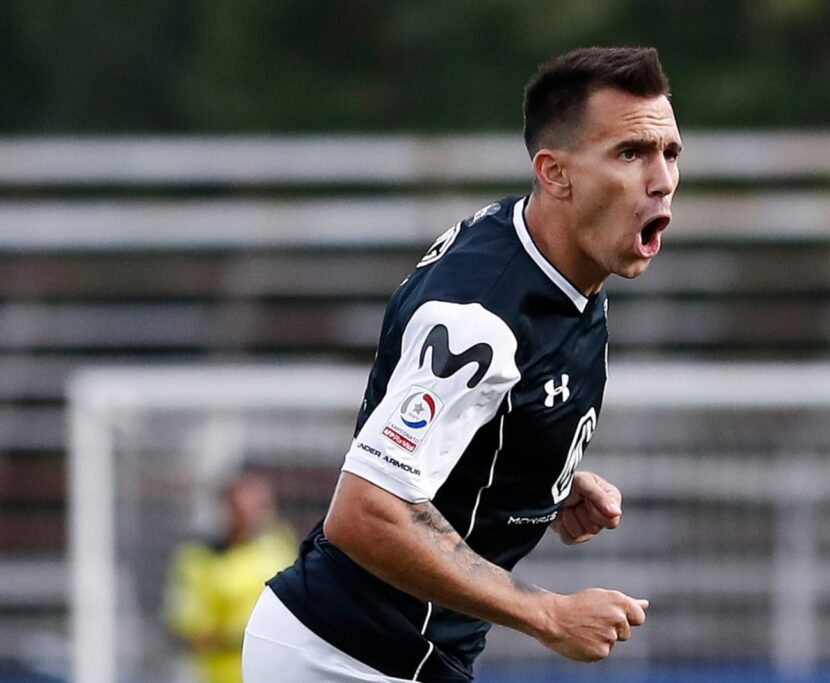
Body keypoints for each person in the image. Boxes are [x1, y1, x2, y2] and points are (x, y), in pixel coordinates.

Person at [242, 46, 682, 683]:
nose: (661, 178)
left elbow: (476, 416)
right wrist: (550, 616)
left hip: (392, 656)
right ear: (555, 174)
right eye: (630, 153)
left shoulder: (560, 257)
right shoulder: (480, 319)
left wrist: (541, 479)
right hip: (344, 658)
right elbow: (367, 511)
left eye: (670, 153)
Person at [165, 472, 296, 683]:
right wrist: (247, 638)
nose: (249, 516)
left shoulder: (280, 551)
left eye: (258, 507)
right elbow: (190, 634)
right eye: (240, 508)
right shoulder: (200, 560)